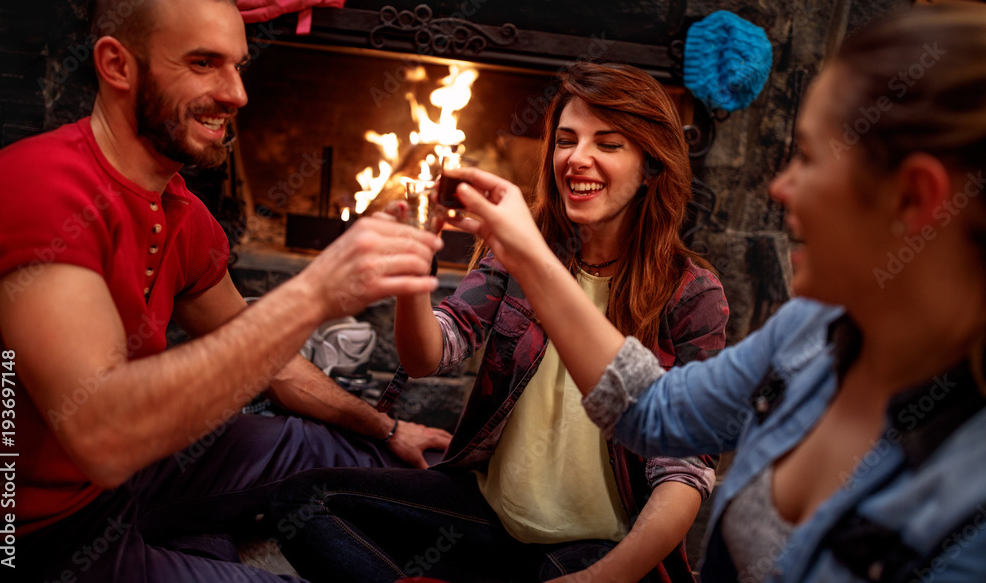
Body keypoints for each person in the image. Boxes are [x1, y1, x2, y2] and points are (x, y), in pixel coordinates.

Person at [442, 2, 986, 581]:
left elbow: (680, 470)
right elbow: (650, 410)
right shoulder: (807, 331)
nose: (780, 188)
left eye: (807, 157)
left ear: (913, 198)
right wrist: (526, 254)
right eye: (566, 140)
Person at [0, 0, 451, 582]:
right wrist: (313, 293)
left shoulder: (181, 213)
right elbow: (102, 436)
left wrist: (387, 426)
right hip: (29, 534)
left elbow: (271, 361)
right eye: (203, 63)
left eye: (236, 65)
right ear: (117, 65)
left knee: (344, 452)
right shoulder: (40, 189)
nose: (235, 93)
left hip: (130, 484)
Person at [267, 62, 731, 582]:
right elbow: (427, 356)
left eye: (608, 144)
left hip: (595, 548)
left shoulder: (694, 295)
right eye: (565, 140)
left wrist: (598, 580)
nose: (578, 159)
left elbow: (685, 474)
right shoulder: (518, 246)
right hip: (488, 517)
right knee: (302, 503)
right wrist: (416, 271)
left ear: (652, 163)